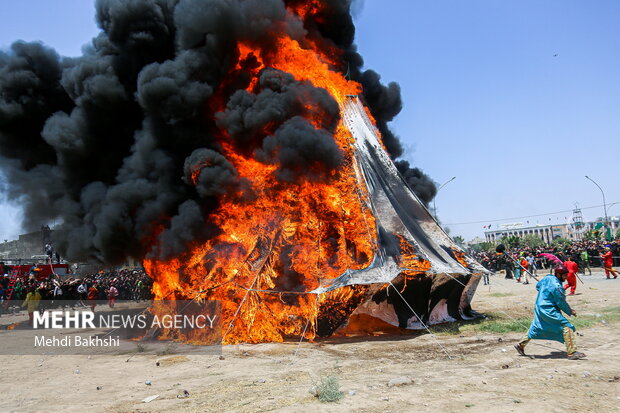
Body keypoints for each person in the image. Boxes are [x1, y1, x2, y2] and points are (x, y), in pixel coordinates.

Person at [514, 265, 586, 360]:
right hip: (549, 309)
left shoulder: (547, 278)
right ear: (558, 274)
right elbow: (561, 301)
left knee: (537, 325)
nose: (566, 277)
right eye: (564, 275)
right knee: (566, 327)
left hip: (539, 307)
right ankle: (572, 352)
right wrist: (570, 311)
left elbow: (538, 286)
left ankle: (521, 345)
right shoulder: (557, 287)